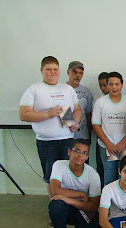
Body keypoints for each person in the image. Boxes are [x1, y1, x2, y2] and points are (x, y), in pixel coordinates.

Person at [19, 56, 82, 198]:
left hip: (68, 139)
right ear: (41, 70)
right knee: (52, 177)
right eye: (48, 69)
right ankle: (55, 207)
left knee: (69, 176)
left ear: (60, 71)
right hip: (46, 142)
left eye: (55, 69)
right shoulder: (34, 89)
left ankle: (69, 209)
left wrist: (75, 123)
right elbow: (23, 115)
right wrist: (48, 114)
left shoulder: (67, 89)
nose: (52, 72)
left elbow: (77, 110)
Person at [49, 139, 102, 228]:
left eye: (84, 153)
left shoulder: (92, 175)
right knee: (56, 206)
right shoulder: (59, 165)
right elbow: (55, 191)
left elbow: (93, 207)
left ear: (87, 156)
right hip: (67, 209)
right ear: (69, 152)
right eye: (77, 151)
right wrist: (81, 194)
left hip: (84, 212)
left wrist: (69, 199)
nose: (80, 155)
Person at [92, 72, 126, 186]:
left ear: (122, 85)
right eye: (111, 84)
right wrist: (108, 144)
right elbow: (96, 124)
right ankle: (110, 203)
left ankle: (125, 203)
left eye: (117, 84)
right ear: (107, 85)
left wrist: (123, 143)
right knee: (109, 176)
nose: (114, 87)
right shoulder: (100, 102)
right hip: (106, 147)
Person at [67, 61, 94, 142]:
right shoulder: (62, 90)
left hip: (82, 136)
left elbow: (88, 115)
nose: (77, 76)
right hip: (66, 136)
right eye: (74, 72)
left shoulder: (86, 92)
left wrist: (89, 136)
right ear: (68, 72)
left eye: (80, 73)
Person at [95, 72, 109, 187]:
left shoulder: (125, 100)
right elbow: (95, 122)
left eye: (105, 85)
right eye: (101, 86)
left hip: (118, 143)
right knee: (102, 168)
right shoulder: (98, 99)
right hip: (102, 141)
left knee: (116, 170)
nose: (104, 88)